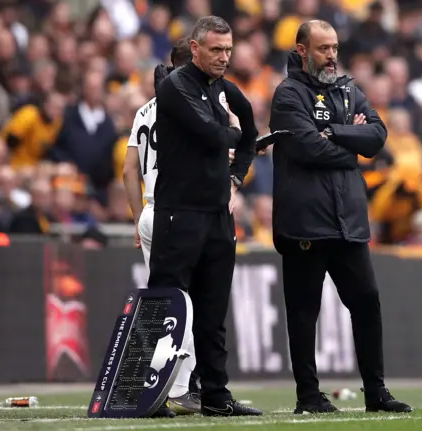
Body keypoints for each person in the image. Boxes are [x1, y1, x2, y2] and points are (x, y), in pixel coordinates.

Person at [268, 20, 412, 414]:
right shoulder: (287, 95)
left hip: (348, 219)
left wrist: (333, 132)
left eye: (334, 47)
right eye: (323, 48)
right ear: (302, 51)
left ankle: (376, 392)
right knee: (303, 311)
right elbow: (307, 150)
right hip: (305, 221)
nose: (332, 55)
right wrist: (351, 141)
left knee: (367, 301)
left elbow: (379, 137)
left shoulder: (349, 89)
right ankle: (308, 396)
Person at [147, 16, 262, 417]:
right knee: (165, 303)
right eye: (216, 50)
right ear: (194, 49)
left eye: (228, 50)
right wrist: (230, 128)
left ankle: (216, 395)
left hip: (217, 214)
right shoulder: (175, 87)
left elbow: (250, 135)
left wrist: (236, 176)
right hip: (179, 213)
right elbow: (216, 134)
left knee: (213, 312)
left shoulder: (227, 89)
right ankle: (147, 392)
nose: (223, 58)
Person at [122, 38, 201, 417]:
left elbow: (127, 171)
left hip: (151, 211)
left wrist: (138, 219)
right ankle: (179, 388)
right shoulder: (188, 105)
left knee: (162, 299)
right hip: (179, 211)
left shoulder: (144, 110)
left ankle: (140, 383)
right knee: (184, 303)